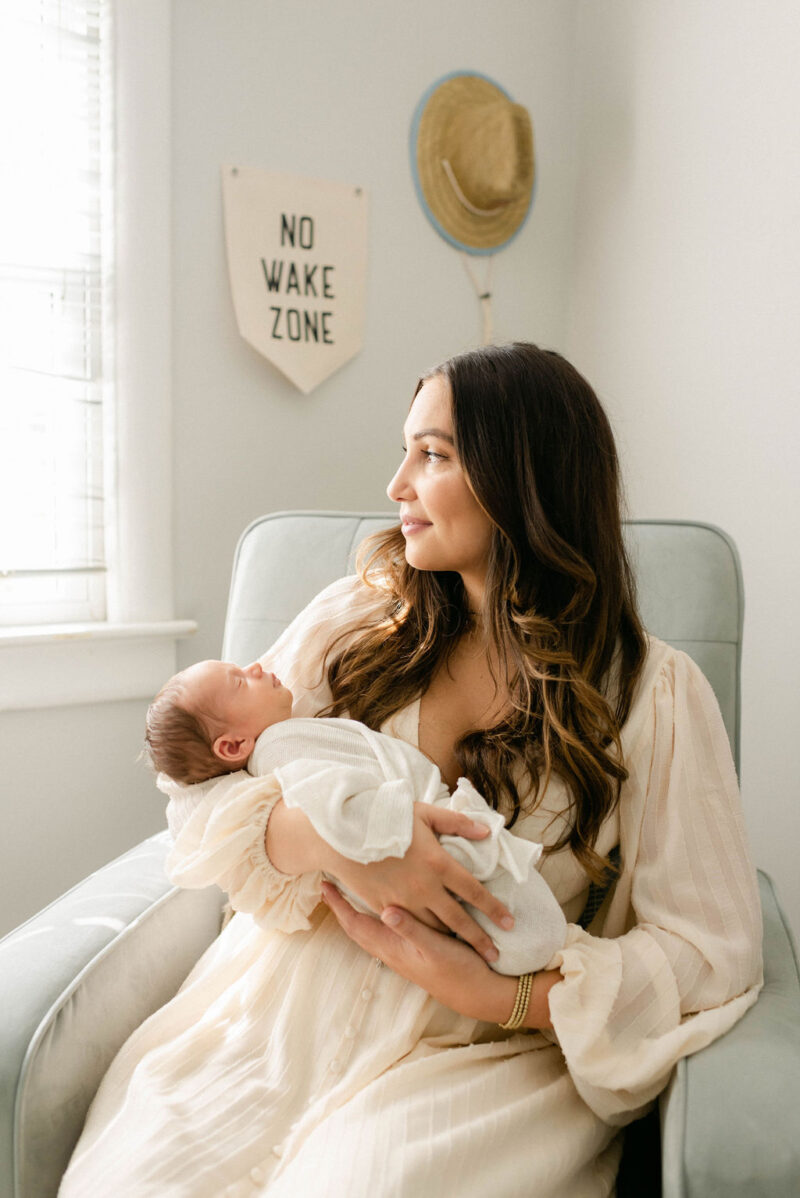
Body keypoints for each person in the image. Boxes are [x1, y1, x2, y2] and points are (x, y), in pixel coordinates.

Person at [59, 342, 763, 1198]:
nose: (396, 485)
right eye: (407, 450)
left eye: (431, 454)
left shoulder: (653, 696)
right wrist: (336, 842)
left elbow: (709, 948)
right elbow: (200, 792)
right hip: (275, 1018)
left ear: (521, 478)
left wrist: (506, 995)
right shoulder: (355, 622)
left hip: (473, 1057)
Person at [144, 658, 568, 975]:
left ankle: (521, 947)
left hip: (415, 851)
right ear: (233, 747)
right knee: (506, 916)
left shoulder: (282, 734)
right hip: (404, 844)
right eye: (239, 680)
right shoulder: (277, 747)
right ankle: (521, 945)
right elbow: (335, 803)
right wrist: (385, 828)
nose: (256, 665)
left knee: (514, 923)